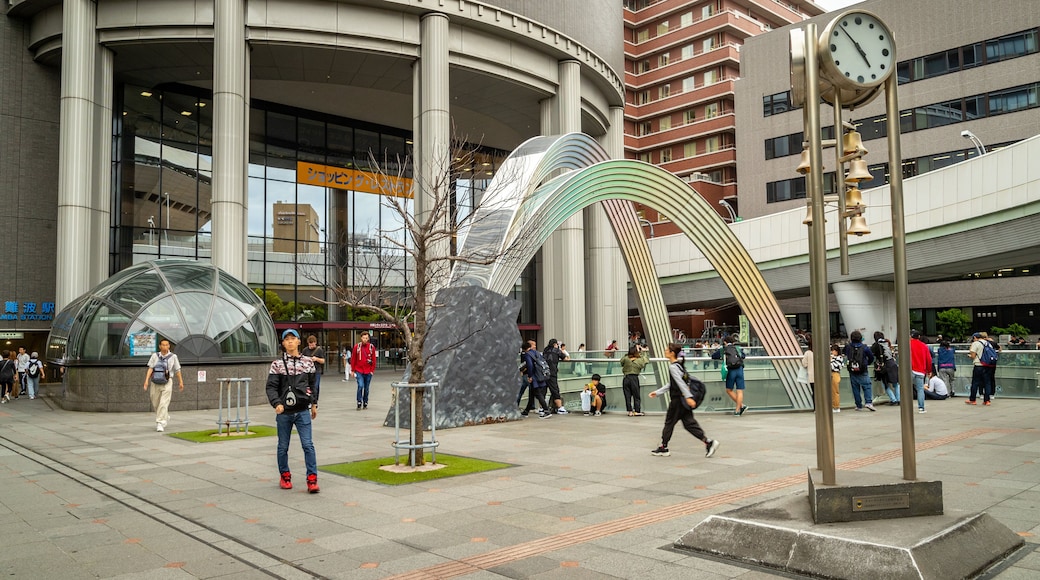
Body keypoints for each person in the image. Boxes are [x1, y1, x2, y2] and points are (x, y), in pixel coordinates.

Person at [265, 328, 320, 493]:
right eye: (286, 339)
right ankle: (285, 475)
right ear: (283, 343)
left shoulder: (308, 362)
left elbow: (312, 385)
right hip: (284, 413)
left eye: (292, 338)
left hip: (303, 410)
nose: (290, 341)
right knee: (283, 446)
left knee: (308, 445)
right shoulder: (277, 364)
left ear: (298, 341)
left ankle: (312, 479)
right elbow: (271, 387)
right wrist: (276, 404)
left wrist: (314, 404)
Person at [648, 343, 719, 458]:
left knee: (669, 423)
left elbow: (680, 383)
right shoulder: (679, 366)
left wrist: (688, 397)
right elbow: (674, 383)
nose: (665, 351)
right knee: (689, 424)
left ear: (672, 353)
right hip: (682, 401)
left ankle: (663, 447)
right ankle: (708, 442)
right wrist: (658, 392)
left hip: (678, 401)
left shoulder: (673, 367)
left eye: (667, 350)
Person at [142, 339, 185, 432]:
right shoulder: (154, 356)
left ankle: (160, 423)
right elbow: (150, 368)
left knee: (163, 403)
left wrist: (181, 382)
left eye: (167, 345)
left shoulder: (173, 357)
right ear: (160, 346)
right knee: (155, 403)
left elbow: (177, 370)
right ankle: (164, 415)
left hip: (167, 382)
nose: (165, 347)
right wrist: (146, 381)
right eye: (163, 345)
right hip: (155, 382)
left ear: (169, 346)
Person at [713, 336, 748, 416]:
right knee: (739, 390)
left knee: (729, 390)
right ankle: (738, 409)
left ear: (725, 342)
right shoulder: (737, 348)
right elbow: (743, 356)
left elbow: (714, 356)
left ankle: (740, 407)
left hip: (731, 371)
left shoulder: (723, 349)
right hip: (739, 370)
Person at [844, 331, 876, 411]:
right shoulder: (864, 347)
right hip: (863, 370)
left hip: (852, 370)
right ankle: (868, 402)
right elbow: (871, 357)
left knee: (855, 388)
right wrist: (867, 363)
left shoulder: (848, 347)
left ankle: (858, 405)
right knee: (867, 386)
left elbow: (845, 353)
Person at [522, 339, 551, 418]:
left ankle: (546, 410)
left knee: (537, 393)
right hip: (540, 375)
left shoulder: (528, 354)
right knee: (532, 393)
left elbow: (530, 365)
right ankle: (526, 411)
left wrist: (530, 376)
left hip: (534, 376)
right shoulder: (537, 353)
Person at [349, 331, 377, 410]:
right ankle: (359, 401)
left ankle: (365, 401)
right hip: (359, 370)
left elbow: (374, 360)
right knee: (360, 385)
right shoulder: (356, 347)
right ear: (361, 338)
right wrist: (352, 370)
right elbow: (353, 359)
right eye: (364, 338)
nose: (365, 339)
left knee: (367, 388)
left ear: (368, 339)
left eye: (366, 338)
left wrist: (372, 371)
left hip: (368, 371)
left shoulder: (371, 347)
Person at [870, 331, 899, 405]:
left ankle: (893, 400)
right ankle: (898, 399)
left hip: (884, 366)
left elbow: (871, 353)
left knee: (885, 384)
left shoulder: (876, 345)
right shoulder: (887, 342)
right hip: (893, 364)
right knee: (896, 383)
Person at [621, 344, 650, 416]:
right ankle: (637, 410)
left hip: (626, 378)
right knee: (636, 395)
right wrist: (643, 352)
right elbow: (646, 360)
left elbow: (621, 362)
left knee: (627, 396)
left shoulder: (626, 358)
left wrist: (627, 355)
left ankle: (630, 411)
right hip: (634, 378)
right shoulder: (639, 360)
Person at [542, 338, 569, 414]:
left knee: (543, 390)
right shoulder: (557, 351)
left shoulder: (545, 350)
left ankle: (541, 408)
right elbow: (566, 358)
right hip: (552, 373)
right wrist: (563, 352)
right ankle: (560, 408)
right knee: (555, 390)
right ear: (555, 344)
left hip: (544, 372)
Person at [909, 331, 933, 414]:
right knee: (920, 389)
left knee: (907, 388)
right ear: (918, 337)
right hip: (921, 371)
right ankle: (921, 408)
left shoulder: (907, 344)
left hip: (910, 369)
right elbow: (929, 360)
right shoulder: (924, 346)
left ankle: (907, 407)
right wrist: (929, 370)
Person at [799, 334, 814, 406]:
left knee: (814, 392)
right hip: (821, 376)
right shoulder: (821, 352)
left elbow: (804, 364)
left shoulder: (808, 353)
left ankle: (816, 407)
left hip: (812, 376)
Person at [829, 344, 844, 412]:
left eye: (834, 350)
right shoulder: (833, 357)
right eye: (832, 350)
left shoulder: (839, 358)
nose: (832, 352)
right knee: (831, 391)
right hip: (831, 374)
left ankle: (836, 406)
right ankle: (833, 405)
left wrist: (831, 360)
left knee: (835, 391)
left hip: (835, 374)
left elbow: (834, 366)